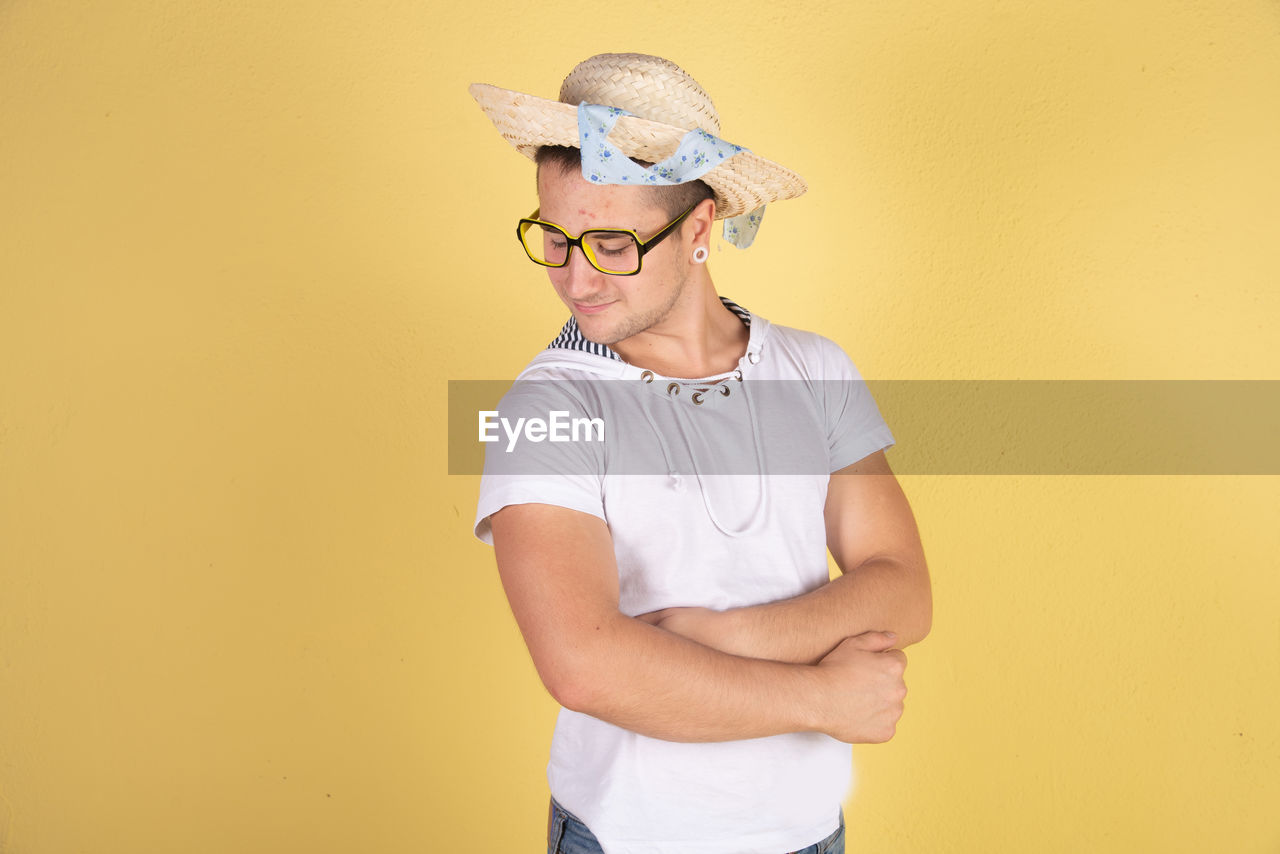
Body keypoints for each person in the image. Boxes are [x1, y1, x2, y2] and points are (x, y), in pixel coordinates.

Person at [469, 53, 931, 854]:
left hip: (810, 835)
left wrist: (717, 637)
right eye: (555, 237)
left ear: (698, 231)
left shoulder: (815, 370)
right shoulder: (546, 409)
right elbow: (586, 667)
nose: (577, 279)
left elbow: (903, 590)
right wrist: (824, 698)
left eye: (612, 244)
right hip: (630, 837)